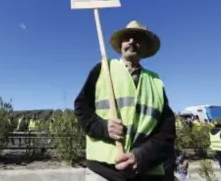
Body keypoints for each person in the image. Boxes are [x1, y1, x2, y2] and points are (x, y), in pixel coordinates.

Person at [74, 21, 176, 181]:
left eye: (137, 39)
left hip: (145, 172)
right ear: (121, 44)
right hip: (102, 172)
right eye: (127, 38)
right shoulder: (103, 69)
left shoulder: (156, 81)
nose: (131, 42)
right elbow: (82, 108)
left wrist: (142, 156)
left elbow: (166, 131)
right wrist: (104, 127)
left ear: (145, 46)